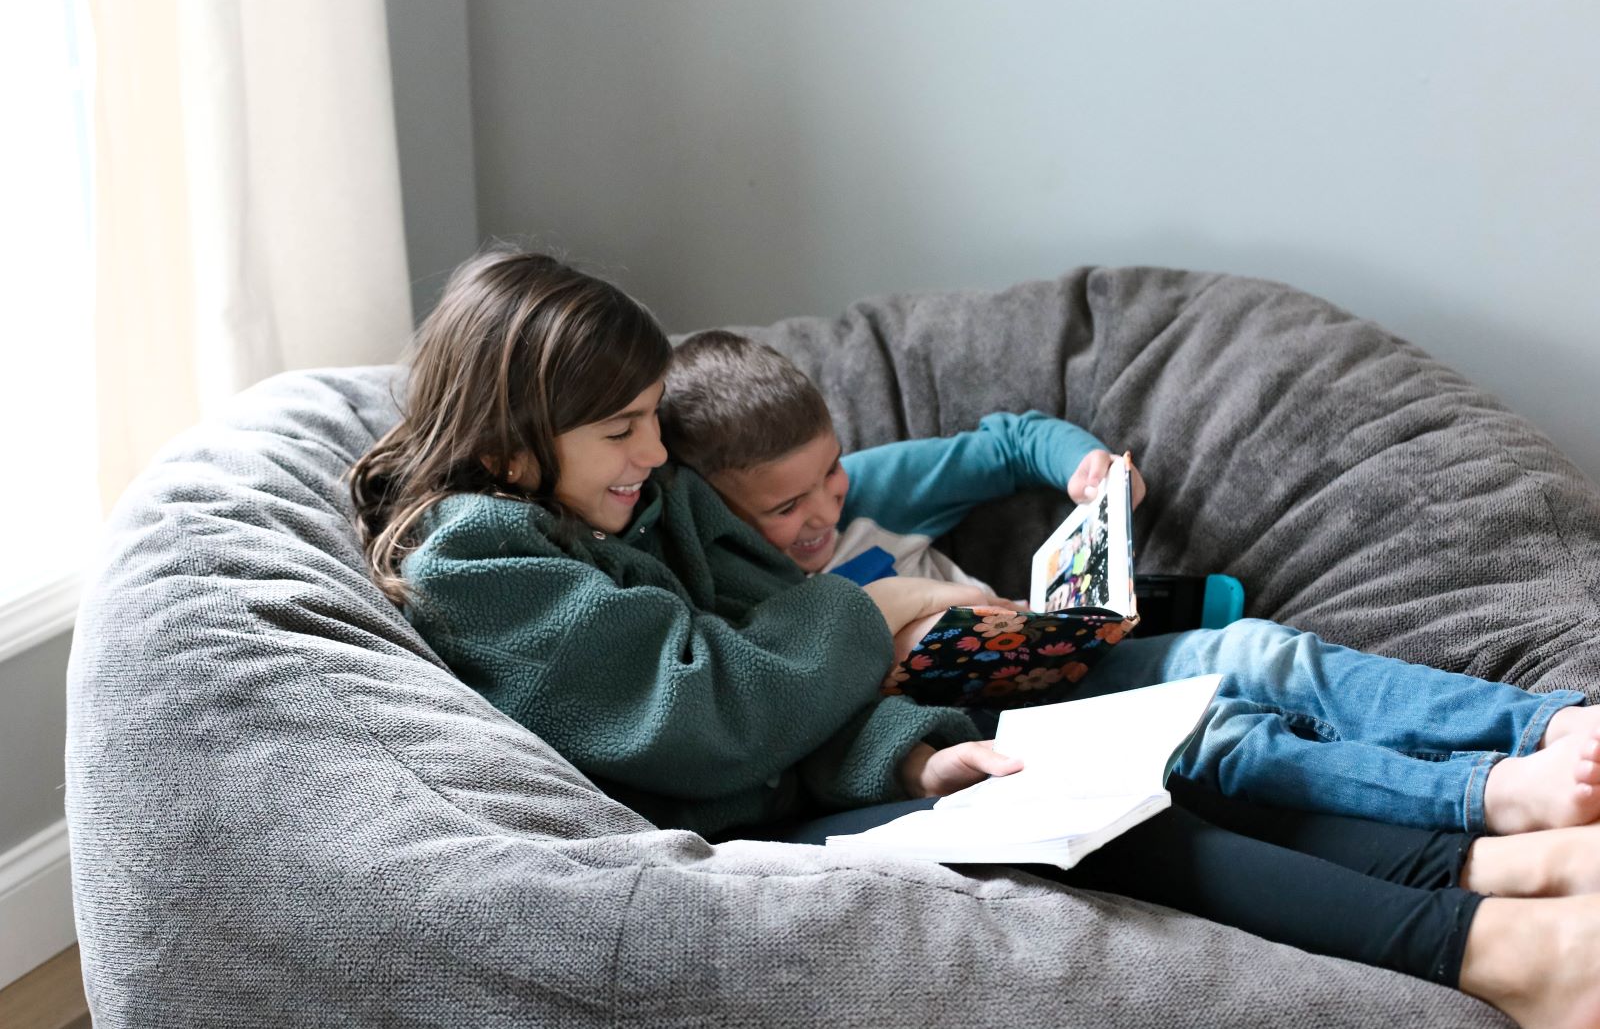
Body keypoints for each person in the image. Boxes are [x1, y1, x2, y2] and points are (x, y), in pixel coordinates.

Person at [349, 247, 1600, 1027]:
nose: (655, 449)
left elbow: (781, 667)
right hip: (741, 828)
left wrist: (911, 754)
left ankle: (1487, 871)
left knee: (1152, 758)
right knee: (1128, 826)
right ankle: (1494, 947)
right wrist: (875, 611)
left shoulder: (636, 496)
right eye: (622, 425)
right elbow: (707, 713)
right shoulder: (481, 557)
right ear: (516, 434)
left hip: (826, 770)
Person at [659, 330, 1600, 837]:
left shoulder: (865, 487)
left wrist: (1084, 472)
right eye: (782, 509)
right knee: (1226, 738)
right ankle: (1485, 795)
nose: (822, 510)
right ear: (712, 511)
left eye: (827, 474)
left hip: (1061, 652)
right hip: (990, 738)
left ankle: (1542, 719)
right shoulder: (735, 606)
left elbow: (1008, 438)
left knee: (1262, 652)